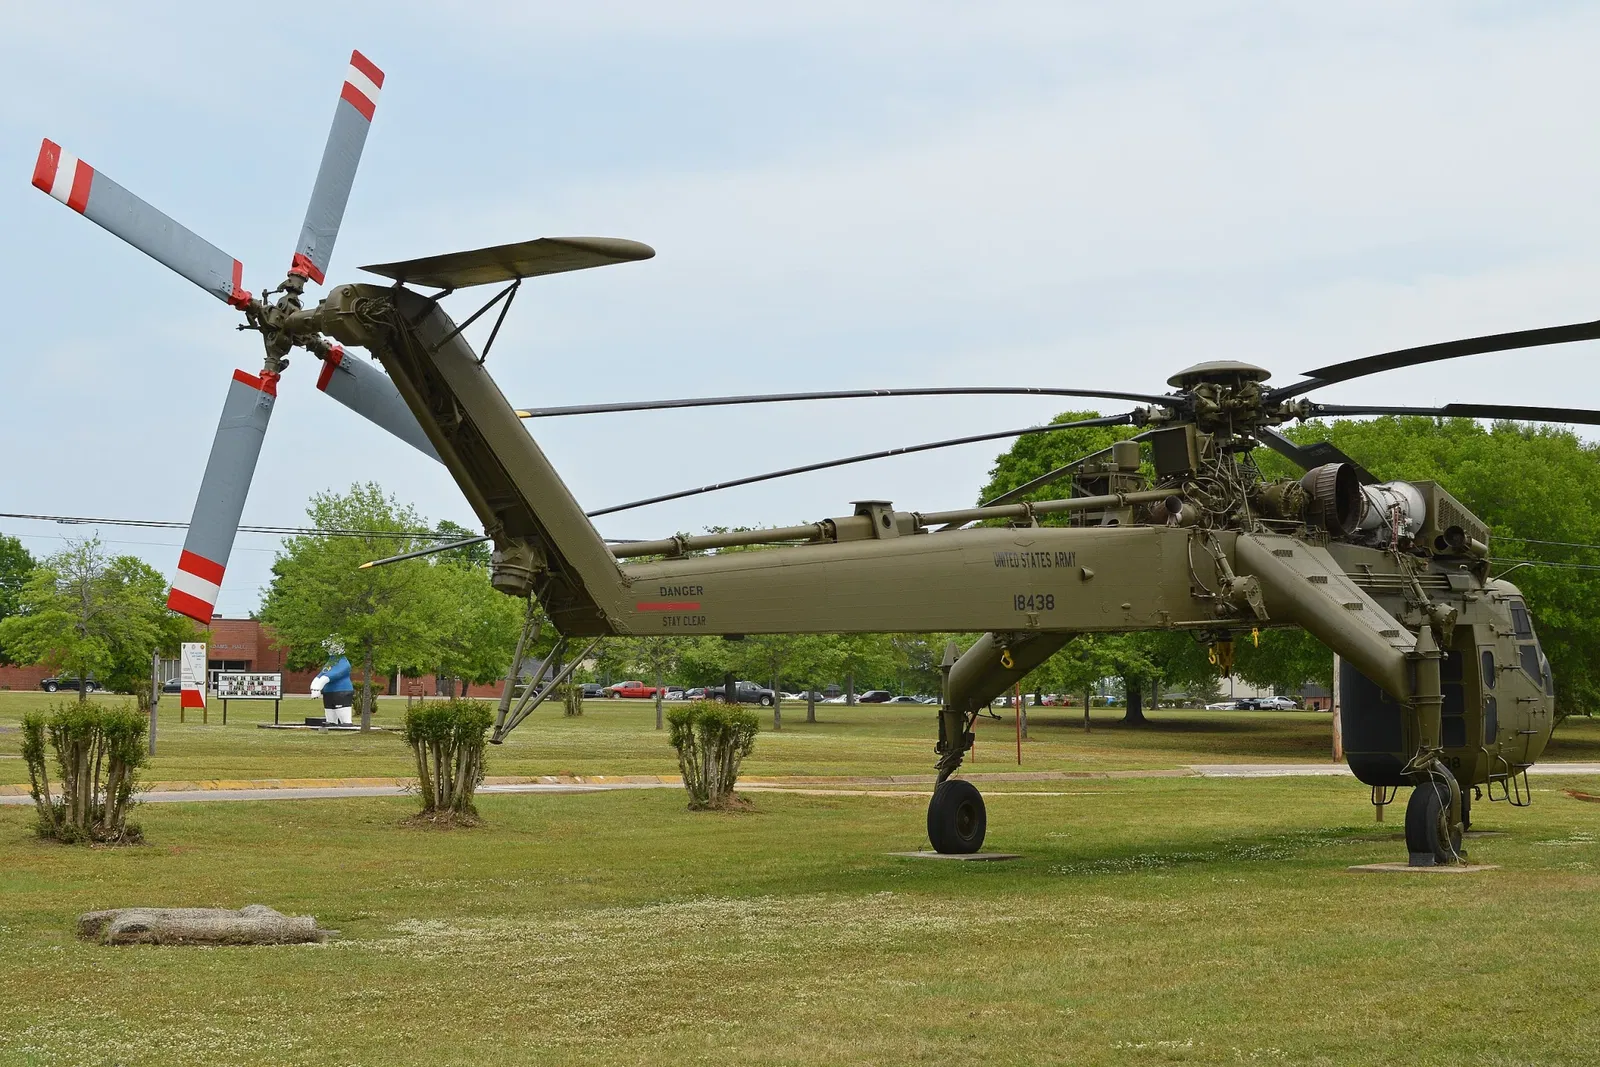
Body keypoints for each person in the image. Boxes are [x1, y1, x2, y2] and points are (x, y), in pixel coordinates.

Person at [309, 642, 356, 726]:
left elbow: (334, 674)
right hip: (329, 692)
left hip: (341, 690)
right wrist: (314, 686)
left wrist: (318, 686)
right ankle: (331, 721)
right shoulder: (330, 662)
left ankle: (346, 722)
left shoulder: (344, 663)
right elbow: (323, 673)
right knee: (329, 708)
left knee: (341, 708)